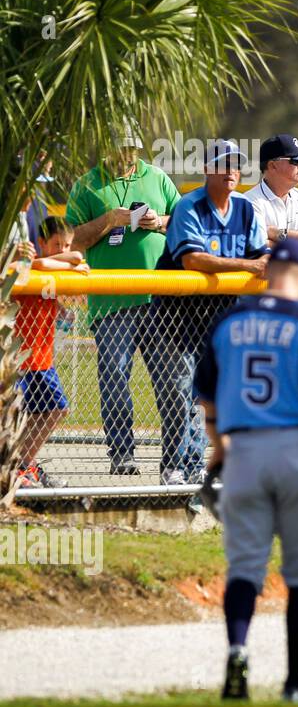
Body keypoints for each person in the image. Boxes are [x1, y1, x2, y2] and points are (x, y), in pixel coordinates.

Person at [194, 238, 298, 703]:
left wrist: (219, 447)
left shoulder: (231, 321)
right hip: (297, 449)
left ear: (268, 272)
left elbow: (207, 394)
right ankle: (294, 685)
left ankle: (238, 651)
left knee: (244, 568)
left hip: (243, 450)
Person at [151, 139, 271, 486]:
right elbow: (192, 260)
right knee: (178, 395)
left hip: (218, 322)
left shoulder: (246, 210)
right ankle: (172, 465)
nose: (231, 170)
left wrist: (255, 263)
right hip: (175, 319)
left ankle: (192, 466)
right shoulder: (189, 206)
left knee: (208, 397)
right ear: (207, 169)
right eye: (223, 163)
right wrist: (245, 265)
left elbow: (261, 256)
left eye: (236, 164)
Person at [67, 125, 181, 476]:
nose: (127, 155)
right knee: (114, 377)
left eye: (132, 148)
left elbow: (182, 220)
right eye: (120, 148)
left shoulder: (158, 177)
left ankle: (174, 462)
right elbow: (74, 239)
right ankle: (122, 455)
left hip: (160, 299)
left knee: (173, 382)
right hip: (111, 301)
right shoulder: (87, 184)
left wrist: (157, 221)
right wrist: (110, 219)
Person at [13, 217, 90, 489]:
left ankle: (23, 465)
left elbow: (65, 297)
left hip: (43, 359)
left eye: (67, 244)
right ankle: (19, 467)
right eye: (57, 244)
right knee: (20, 417)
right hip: (19, 359)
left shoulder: (59, 272)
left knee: (56, 409)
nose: (63, 250)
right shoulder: (31, 265)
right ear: (42, 243)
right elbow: (41, 264)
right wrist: (74, 258)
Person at [241, 134, 298, 260]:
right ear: (272, 165)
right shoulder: (249, 201)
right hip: (263, 278)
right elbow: (258, 246)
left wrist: (277, 234)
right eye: (295, 160)